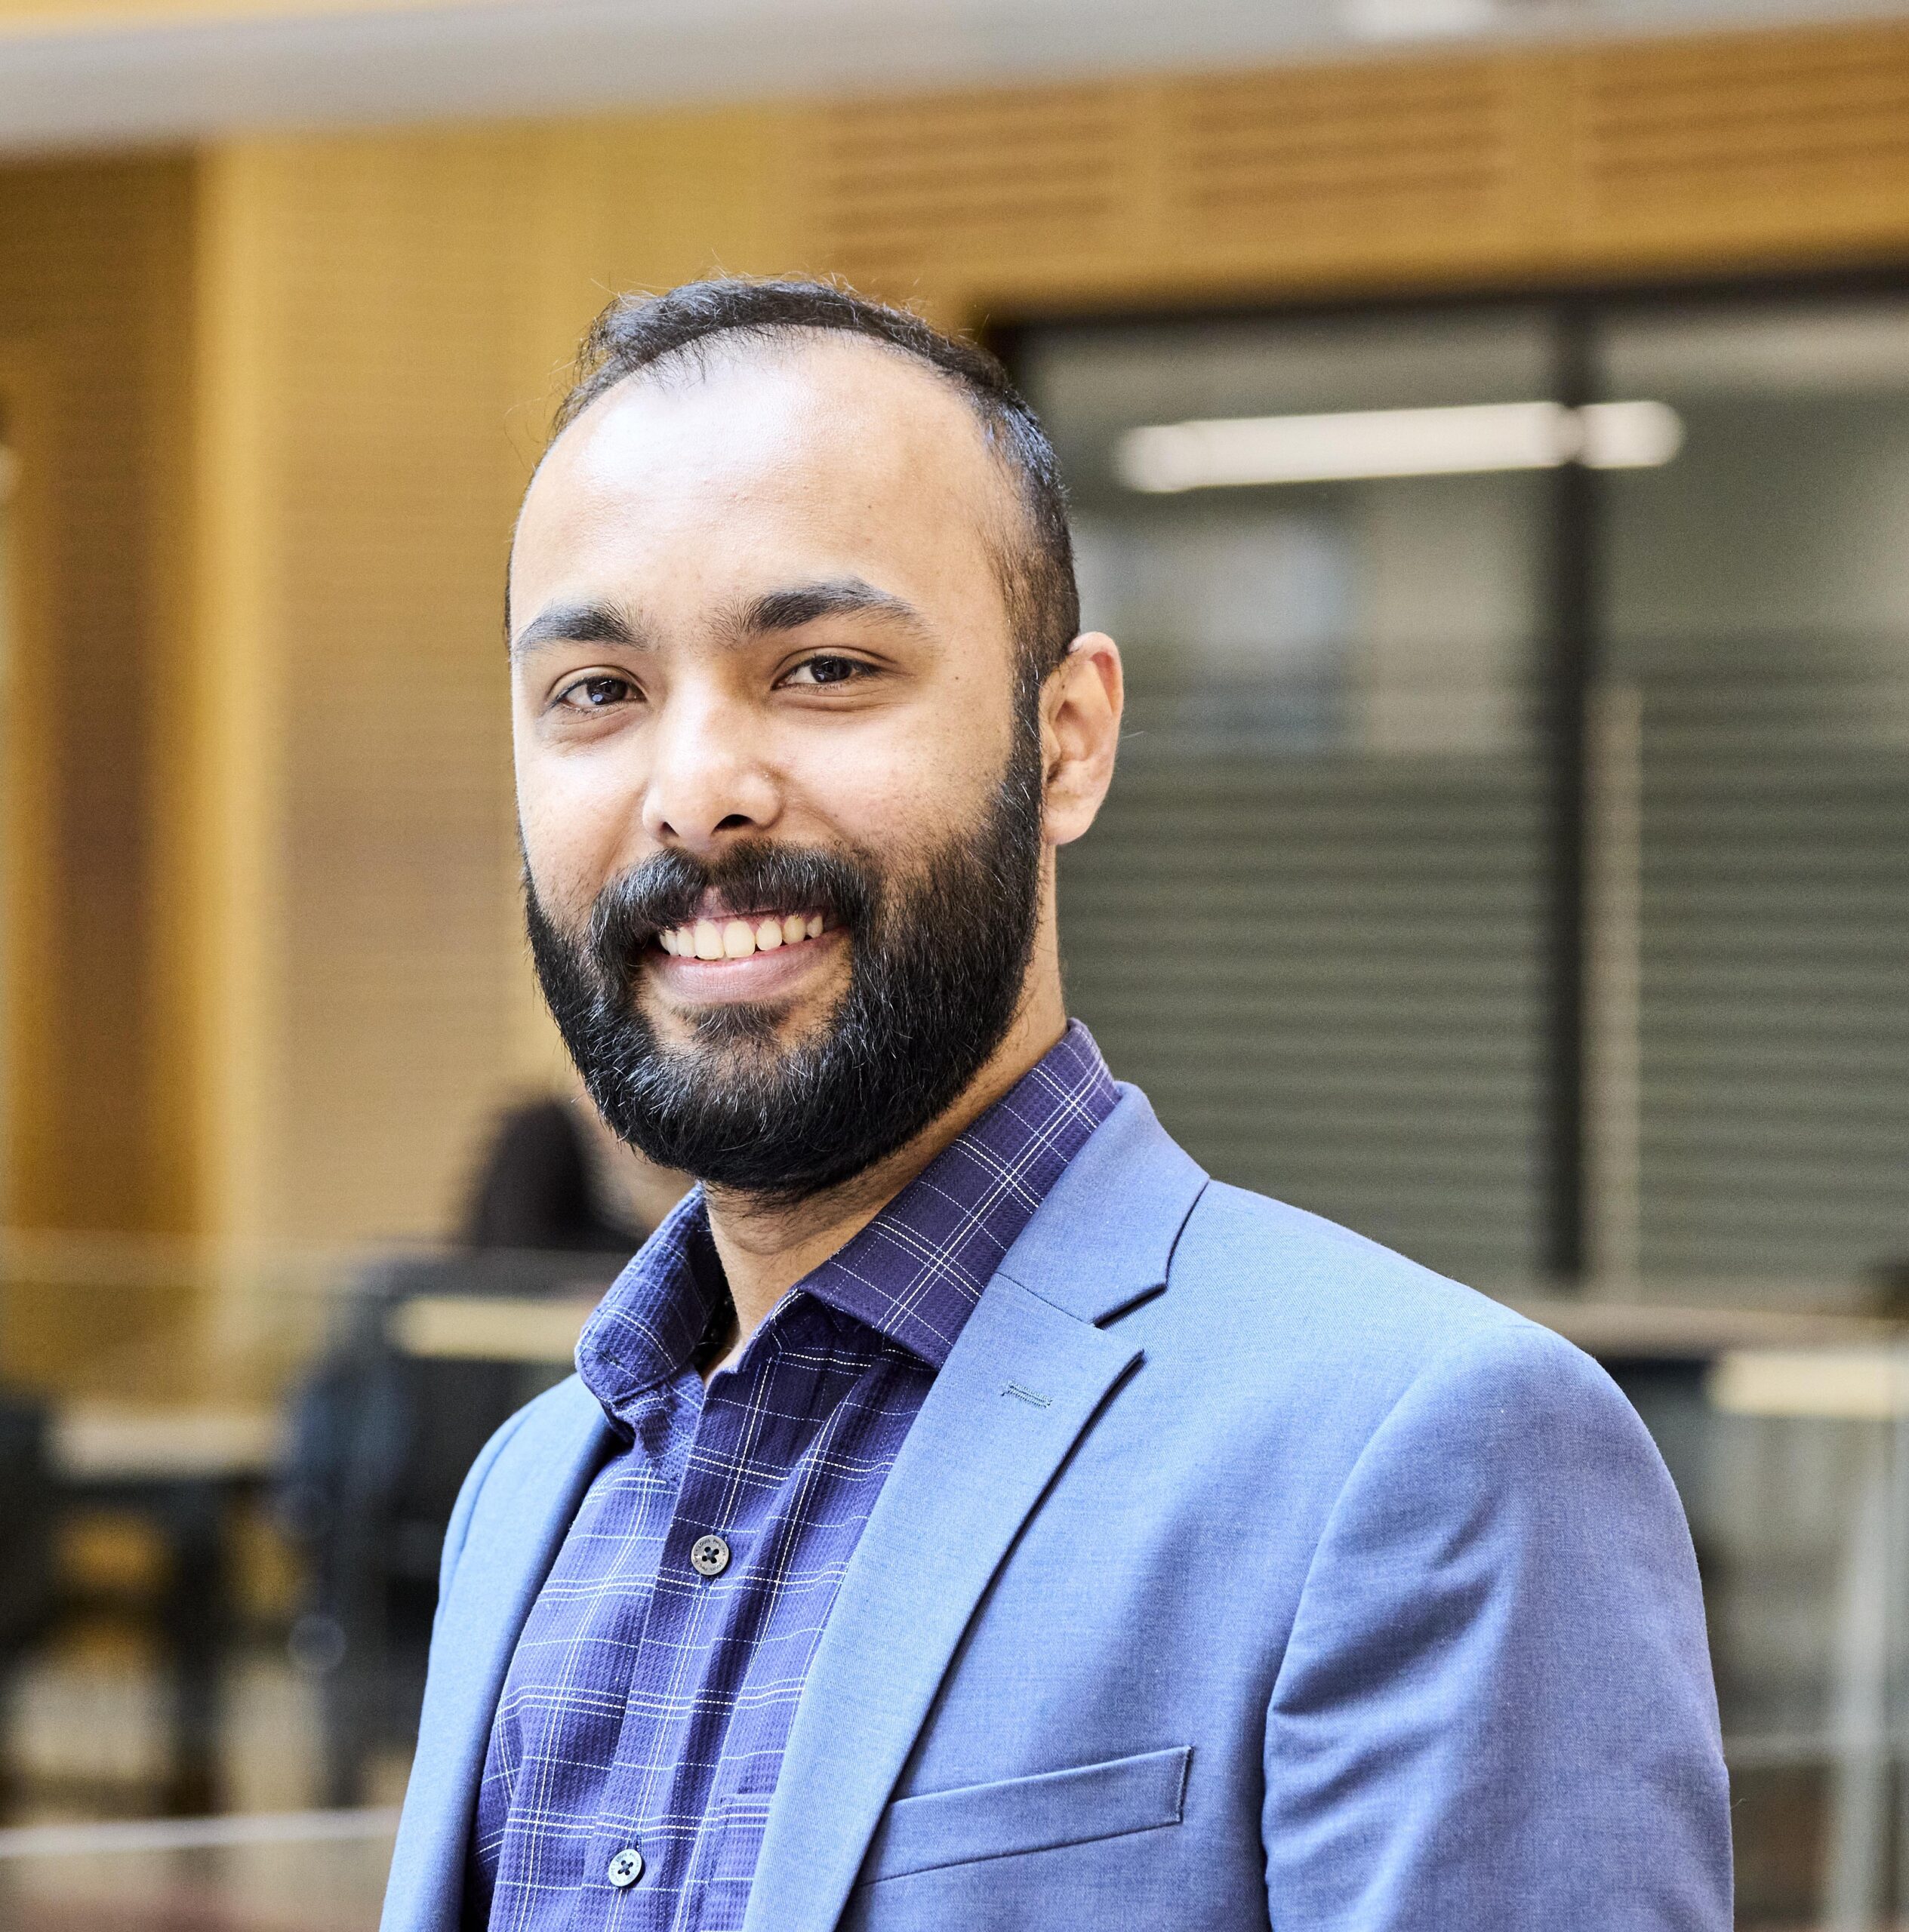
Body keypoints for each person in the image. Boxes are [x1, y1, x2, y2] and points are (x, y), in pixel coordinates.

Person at [380, 279, 1731, 1932]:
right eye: (596, 690)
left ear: (1068, 739)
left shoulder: (1429, 1455)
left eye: (822, 667)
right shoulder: (532, 1491)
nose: (696, 789)